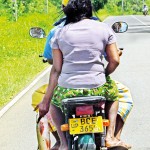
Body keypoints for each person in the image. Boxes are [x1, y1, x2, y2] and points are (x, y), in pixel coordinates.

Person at [36, 0, 124, 149]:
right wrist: (104, 74)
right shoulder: (104, 28)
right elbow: (115, 60)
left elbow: (56, 69)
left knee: (54, 104)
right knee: (114, 96)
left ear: (67, 11)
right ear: (89, 10)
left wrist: (46, 100)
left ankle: (63, 143)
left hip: (67, 89)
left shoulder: (59, 33)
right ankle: (110, 136)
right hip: (98, 87)